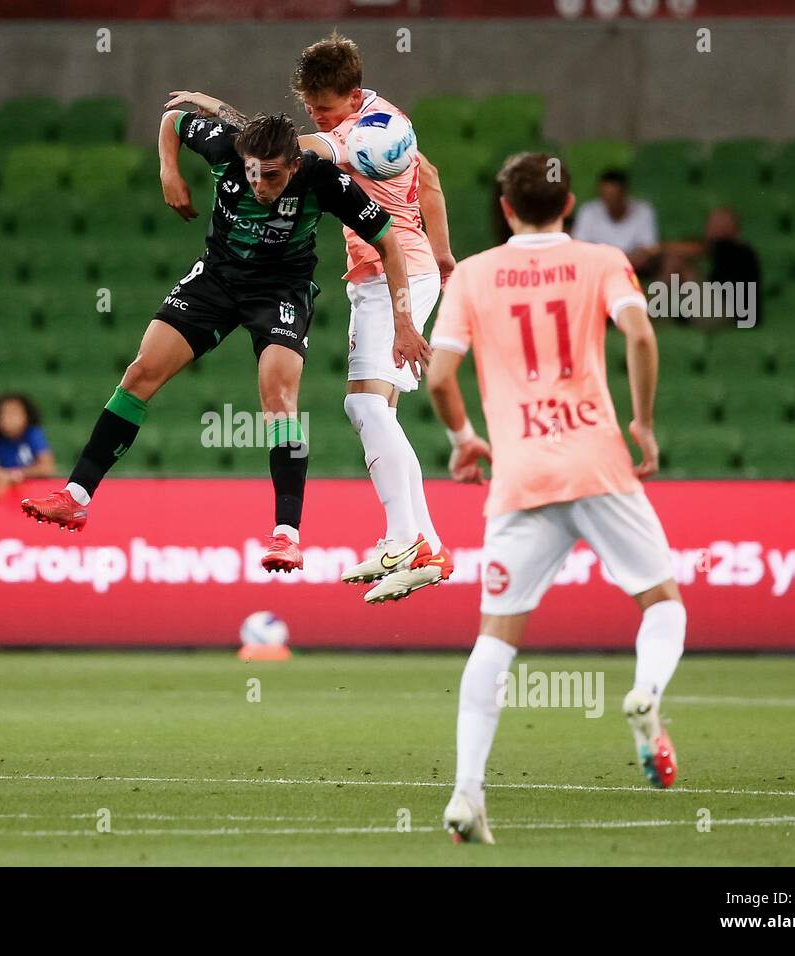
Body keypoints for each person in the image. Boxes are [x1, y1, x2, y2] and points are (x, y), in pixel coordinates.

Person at [21, 111, 427, 574]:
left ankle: (287, 536)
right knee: (139, 374)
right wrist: (168, 171)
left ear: (295, 165)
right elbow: (173, 119)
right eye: (252, 172)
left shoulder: (324, 180)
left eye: (271, 175)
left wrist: (403, 322)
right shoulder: (225, 146)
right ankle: (76, 497)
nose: (259, 184)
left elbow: (389, 243)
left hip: (279, 291)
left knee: (278, 398)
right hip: (215, 280)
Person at [426, 153, 687, 844]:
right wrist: (643, 424)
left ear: (506, 208)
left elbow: (439, 374)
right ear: (568, 203)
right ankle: (646, 697)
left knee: (495, 640)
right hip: (599, 464)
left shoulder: (475, 274)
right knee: (662, 604)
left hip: (522, 475)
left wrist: (462, 438)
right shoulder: (603, 260)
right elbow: (639, 332)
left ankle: (466, 795)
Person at [164, 33, 457, 603]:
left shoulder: (354, 139)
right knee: (378, 411)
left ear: (349, 98)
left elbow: (271, 151)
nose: (315, 116)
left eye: (322, 108)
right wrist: (443, 252)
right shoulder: (386, 118)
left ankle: (411, 540)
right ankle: (421, 543)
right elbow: (431, 177)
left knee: (365, 404)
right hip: (391, 275)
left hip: (393, 280)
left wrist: (211, 108)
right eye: (310, 107)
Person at [571, 168, 660, 278]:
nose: (609, 201)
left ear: (624, 192)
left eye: (613, 195)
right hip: (597, 268)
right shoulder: (588, 211)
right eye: (605, 195)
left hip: (635, 267)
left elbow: (649, 249)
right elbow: (579, 247)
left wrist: (618, 265)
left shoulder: (644, 211)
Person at [0, 392, 55, 496]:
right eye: (3, 414)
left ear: (26, 416)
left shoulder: (33, 433)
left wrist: (20, 474)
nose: (9, 419)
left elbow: (47, 467)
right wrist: (2, 474)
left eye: (14, 413)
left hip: (31, 495)